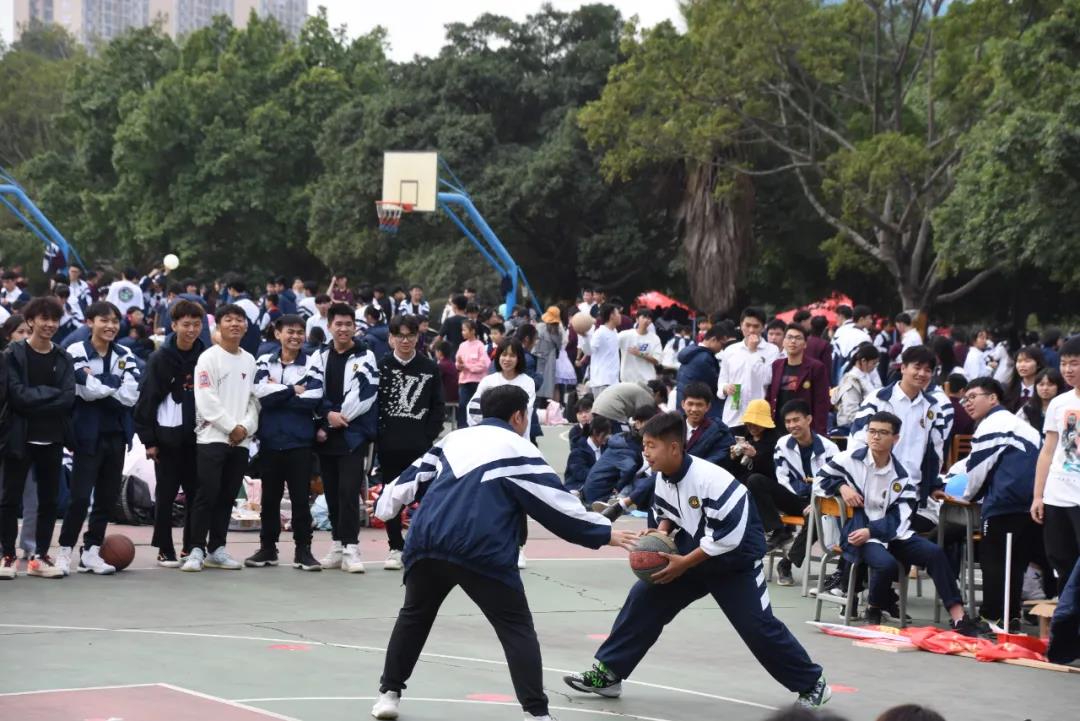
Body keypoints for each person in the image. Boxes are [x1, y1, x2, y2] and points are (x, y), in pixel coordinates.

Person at [369, 384, 637, 721]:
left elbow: (405, 484)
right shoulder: (518, 449)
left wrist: (384, 507)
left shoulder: (453, 439)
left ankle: (388, 695)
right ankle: (536, 714)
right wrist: (605, 533)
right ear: (519, 416)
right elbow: (556, 506)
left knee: (414, 616)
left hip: (427, 541)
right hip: (480, 548)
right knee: (515, 628)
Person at [564, 412, 831, 709]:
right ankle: (609, 674)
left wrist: (683, 563)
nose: (645, 453)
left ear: (674, 448)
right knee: (644, 598)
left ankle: (812, 684)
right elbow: (667, 514)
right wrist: (660, 533)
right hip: (694, 548)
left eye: (651, 446)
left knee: (757, 627)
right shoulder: (663, 477)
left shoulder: (712, 481)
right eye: (644, 446)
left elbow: (727, 539)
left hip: (735, 559)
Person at [818, 411, 979, 635]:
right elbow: (820, 479)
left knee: (934, 553)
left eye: (883, 433)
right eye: (872, 431)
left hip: (892, 532)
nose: (875, 437)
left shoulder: (902, 475)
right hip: (858, 532)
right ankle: (874, 608)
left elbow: (902, 515)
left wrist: (872, 530)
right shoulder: (849, 459)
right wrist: (841, 487)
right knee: (886, 565)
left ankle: (958, 616)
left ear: (895, 439)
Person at [945, 377, 1040, 629]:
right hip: (1030, 504)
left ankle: (992, 618)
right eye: (965, 399)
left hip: (1004, 502)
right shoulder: (1023, 426)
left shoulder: (992, 425)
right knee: (1016, 564)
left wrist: (966, 496)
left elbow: (977, 470)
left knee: (994, 561)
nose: (967, 403)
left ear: (992, 398)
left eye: (973, 397)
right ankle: (1011, 617)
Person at [55, 301, 140, 576]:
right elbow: (84, 389)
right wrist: (113, 383)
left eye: (114, 321)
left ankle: (91, 551)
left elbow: (131, 394)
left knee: (106, 498)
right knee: (79, 498)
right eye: (104, 320)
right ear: (90, 322)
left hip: (117, 435)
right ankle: (64, 550)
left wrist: (100, 383)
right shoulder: (76, 350)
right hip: (86, 435)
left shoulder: (126, 353)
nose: (110, 326)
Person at [0, 297, 76, 579]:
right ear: (30, 321)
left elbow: (68, 398)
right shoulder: (12, 354)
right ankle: (8, 555)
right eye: (44, 318)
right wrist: (50, 396)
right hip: (19, 437)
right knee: (9, 499)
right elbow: (16, 395)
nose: (50, 324)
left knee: (49, 501)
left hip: (52, 438)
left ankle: (40, 556)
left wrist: (36, 398)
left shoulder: (63, 357)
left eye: (54, 319)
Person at [182, 304, 259, 572]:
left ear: (246, 326)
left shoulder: (250, 360)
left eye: (239, 320)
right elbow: (206, 399)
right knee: (206, 494)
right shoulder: (208, 358)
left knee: (227, 496)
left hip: (241, 441)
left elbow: (254, 400)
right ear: (219, 325)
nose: (234, 324)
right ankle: (195, 549)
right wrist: (231, 427)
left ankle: (217, 548)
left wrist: (245, 428)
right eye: (228, 319)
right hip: (212, 438)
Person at [306, 302, 380, 573]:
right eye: (338, 324)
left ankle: (351, 547)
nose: (344, 329)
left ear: (354, 327)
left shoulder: (366, 356)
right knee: (332, 492)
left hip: (352, 435)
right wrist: (327, 416)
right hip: (326, 437)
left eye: (349, 324)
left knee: (349, 492)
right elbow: (312, 389)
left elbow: (363, 396)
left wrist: (333, 421)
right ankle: (337, 544)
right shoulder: (319, 356)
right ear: (329, 326)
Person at [134, 299, 207, 567]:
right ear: (174, 326)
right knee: (165, 495)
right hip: (167, 439)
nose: (191, 330)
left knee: (196, 494)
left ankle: (192, 546)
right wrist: (149, 440)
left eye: (196, 324)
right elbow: (146, 401)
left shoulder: (206, 356)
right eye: (186, 324)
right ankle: (165, 548)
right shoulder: (159, 359)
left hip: (198, 438)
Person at [850, 346, 952, 533]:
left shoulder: (933, 407)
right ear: (903, 368)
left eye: (928, 370)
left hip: (912, 491)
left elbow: (936, 451)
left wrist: (932, 485)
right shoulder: (879, 399)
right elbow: (857, 441)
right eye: (917, 367)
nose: (922, 374)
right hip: (875, 488)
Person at [247, 315, 321, 571]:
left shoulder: (312, 362)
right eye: (290, 331)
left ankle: (303, 550)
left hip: (299, 442)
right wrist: (291, 390)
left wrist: (276, 389)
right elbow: (260, 393)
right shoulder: (263, 360)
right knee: (269, 500)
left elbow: (313, 397)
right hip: (270, 441)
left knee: (301, 500)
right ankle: (268, 548)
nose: (295, 336)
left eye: (300, 332)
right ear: (278, 334)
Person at [376, 314, 445, 571]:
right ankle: (395, 547)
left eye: (410, 335)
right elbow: (374, 404)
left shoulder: (429, 367)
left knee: (427, 497)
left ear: (418, 337)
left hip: (420, 447)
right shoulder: (381, 366)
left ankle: (423, 545)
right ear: (391, 338)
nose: (405, 341)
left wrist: (428, 436)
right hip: (389, 446)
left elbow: (438, 406)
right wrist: (380, 435)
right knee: (391, 495)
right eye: (400, 336)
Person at [756, 400, 840, 585]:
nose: (792, 425)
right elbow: (782, 478)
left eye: (796, 420)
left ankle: (786, 563)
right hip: (794, 498)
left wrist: (816, 500)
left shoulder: (829, 448)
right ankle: (779, 530)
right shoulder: (782, 444)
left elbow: (833, 481)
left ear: (808, 419)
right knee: (755, 481)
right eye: (788, 421)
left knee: (816, 516)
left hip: (820, 500)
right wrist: (801, 493)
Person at [1031, 335, 1080, 595]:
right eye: (1064, 363)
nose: (1068, 370)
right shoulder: (1059, 403)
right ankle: (1066, 612)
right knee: (1060, 558)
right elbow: (1048, 451)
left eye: (1075, 363)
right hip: (1057, 495)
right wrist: (1038, 495)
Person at [717, 307, 780, 428]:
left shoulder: (772, 350)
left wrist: (753, 351)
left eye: (756, 326)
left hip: (759, 415)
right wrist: (725, 388)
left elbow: (767, 379)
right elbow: (722, 381)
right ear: (741, 325)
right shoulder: (731, 350)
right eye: (747, 325)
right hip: (734, 413)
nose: (751, 330)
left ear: (763, 327)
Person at [767, 324, 830, 434]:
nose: (793, 341)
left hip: (804, 429)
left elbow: (821, 403)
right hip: (778, 428)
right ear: (783, 342)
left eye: (798, 338)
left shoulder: (816, 367)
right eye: (789, 337)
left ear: (805, 344)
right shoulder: (776, 365)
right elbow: (770, 396)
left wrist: (819, 432)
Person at [674, 323, 727, 417]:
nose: (722, 349)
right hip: (695, 406)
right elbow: (716, 385)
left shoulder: (692, 350)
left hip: (685, 402)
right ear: (713, 340)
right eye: (721, 344)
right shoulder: (704, 358)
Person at [726, 398, 780, 483]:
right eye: (749, 423)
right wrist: (733, 457)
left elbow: (775, 471)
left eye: (757, 424)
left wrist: (755, 456)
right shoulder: (742, 434)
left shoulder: (776, 441)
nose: (753, 427)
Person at [832, 343, 881, 433]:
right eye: (873, 363)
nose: (874, 367)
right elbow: (851, 411)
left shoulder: (866, 376)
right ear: (863, 361)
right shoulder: (851, 381)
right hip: (852, 427)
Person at [454, 319, 490, 427]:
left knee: (476, 406)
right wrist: (459, 365)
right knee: (462, 405)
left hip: (477, 381)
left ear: (473, 331)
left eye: (465, 330)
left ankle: (476, 427)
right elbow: (457, 361)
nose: (462, 332)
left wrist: (468, 367)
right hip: (464, 381)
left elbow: (484, 364)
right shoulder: (462, 345)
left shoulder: (480, 345)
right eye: (462, 330)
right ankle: (461, 427)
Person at [564, 415, 612, 494]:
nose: (608, 436)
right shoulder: (578, 451)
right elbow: (581, 474)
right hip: (578, 486)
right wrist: (604, 476)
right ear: (595, 433)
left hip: (598, 486)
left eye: (609, 433)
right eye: (606, 433)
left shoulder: (607, 448)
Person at [1017, 368, 1067, 437]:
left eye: (1050, 385)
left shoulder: (1066, 407)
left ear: (1059, 386)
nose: (1045, 388)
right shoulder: (1028, 408)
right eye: (1041, 384)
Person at [617, 309, 662, 384]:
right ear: (637, 319)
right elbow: (611, 345)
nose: (646, 320)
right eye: (644, 317)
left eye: (649, 318)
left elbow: (657, 361)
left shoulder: (655, 338)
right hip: (627, 380)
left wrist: (640, 354)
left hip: (647, 380)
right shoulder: (624, 335)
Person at [831, 304, 873, 384]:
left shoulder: (841, 331)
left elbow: (834, 355)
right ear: (861, 319)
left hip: (840, 372)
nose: (871, 321)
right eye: (870, 318)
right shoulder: (865, 335)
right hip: (857, 375)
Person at [589, 303, 621, 395]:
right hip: (602, 382)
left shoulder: (615, 332)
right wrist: (585, 338)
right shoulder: (600, 333)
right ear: (611, 316)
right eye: (618, 313)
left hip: (613, 381)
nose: (620, 316)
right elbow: (589, 351)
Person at [534, 306, 564, 402]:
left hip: (539, 357)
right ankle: (555, 406)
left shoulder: (540, 327)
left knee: (539, 382)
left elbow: (535, 342)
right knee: (553, 385)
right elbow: (559, 346)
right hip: (552, 359)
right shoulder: (559, 332)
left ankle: (540, 404)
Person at [1005, 345, 1045, 412]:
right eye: (1019, 361)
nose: (1022, 365)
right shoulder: (1008, 390)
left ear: (1038, 365)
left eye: (1027, 361)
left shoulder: (1044, 390)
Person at [432, 340, 458, 428]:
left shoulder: (442, 365)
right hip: (454, 395)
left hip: (447, 396)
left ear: (439, 352)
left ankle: (437, 425)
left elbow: (434, 381)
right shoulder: (451, 363)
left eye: (436, 351)